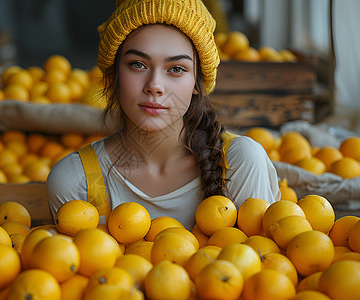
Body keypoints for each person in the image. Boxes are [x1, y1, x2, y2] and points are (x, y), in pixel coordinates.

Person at [47, 0, 280, 230]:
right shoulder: (76, 180)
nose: (154, 85)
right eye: (138, 64)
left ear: (196, 83)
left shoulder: (240, 162)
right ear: (114, 74)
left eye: (176, 69)